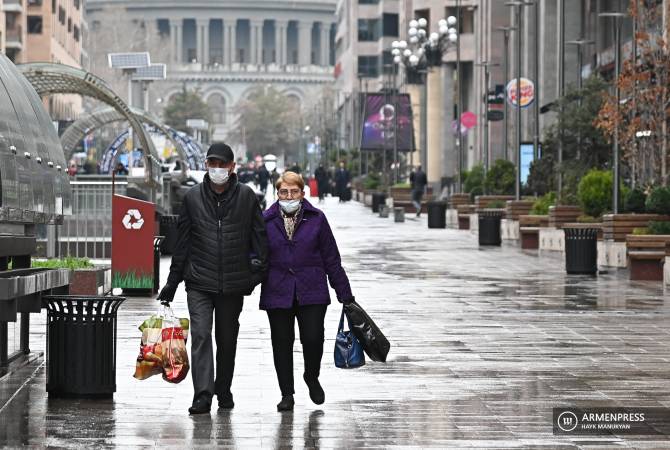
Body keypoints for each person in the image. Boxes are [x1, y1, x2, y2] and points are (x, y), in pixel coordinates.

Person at [157, 142, 269, 415]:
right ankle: (203, 395)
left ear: (232, 167)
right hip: (199, 281)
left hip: (233, 283)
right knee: (201, 335)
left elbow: (260, 240)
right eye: (212, 164)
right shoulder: (193, 198)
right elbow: (182, 243)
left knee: (227, 340)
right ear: (206, 165)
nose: (217, 169)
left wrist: (254, 275)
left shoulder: (247, 197)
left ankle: (223, 388)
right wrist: (172, 282)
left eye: (222, 164)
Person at [260, 171, 354, 412]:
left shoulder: (317, 219)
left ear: (302, 193)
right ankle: (286, 393)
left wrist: (345, 294)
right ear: (277, 193)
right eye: (284, 192)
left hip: (311, 289)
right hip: (278, 289)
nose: (288, 196)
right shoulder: (266, 220)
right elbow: (255, 255)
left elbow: (331, 258)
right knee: (281, 342)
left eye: (294, 192)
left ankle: (311, 376)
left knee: (313, 339)